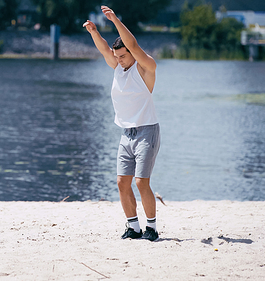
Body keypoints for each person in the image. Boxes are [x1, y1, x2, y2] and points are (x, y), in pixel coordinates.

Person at [83, 6, 161, 241]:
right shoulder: (118, 68)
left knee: (140, 182)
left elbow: (134, 46)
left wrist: (115, 19)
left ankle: (152, 228)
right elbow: (105, 50)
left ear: (132, 54)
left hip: (147, 131)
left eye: (123, 55)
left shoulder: (146, 68)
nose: (118, 59)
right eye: (116, 57)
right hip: (126, 134)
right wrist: (94, 32)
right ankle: (133, 227)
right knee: (121, 183)